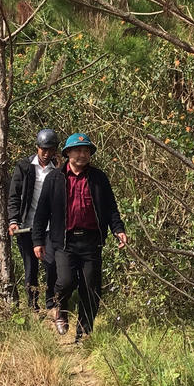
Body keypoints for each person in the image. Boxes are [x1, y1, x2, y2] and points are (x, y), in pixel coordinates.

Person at [31, 132, 127, 342]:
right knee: (65, 282)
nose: (83, 155)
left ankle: (83, 334)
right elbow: (42, 212)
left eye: (86, 151)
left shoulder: (98, 178)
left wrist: (118, 229)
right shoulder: (54, 178)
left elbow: (111, 207)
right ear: (68, 153)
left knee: (90, 288)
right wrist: (37, 240)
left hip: (91, 241)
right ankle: (60, 308)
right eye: (78, 151)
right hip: (64, 241)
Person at [8, 128, 60, 315]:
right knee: (30, 267)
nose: (47, 153)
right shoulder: (24, 167)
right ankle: (33, 305)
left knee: (51, 263)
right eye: (43, 149)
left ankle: (51, 303)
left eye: (51, 149)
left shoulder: (58, 170)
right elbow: (14, 195)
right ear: (37, 147)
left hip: (49, 226)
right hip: (26, 225)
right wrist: (13, 220)